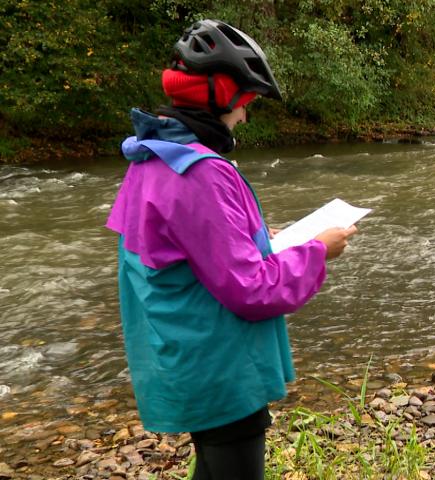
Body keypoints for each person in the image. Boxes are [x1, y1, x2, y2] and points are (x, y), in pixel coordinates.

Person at [105, 19, 357, 479]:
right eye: (245, 104)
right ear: (220, 95)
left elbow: (182, 248)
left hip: (185, 358)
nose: (244, 116)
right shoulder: (202, 173)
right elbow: (251, 290)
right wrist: (318, 250)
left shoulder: (151, 155)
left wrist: (257, 237)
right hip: (219, 367)